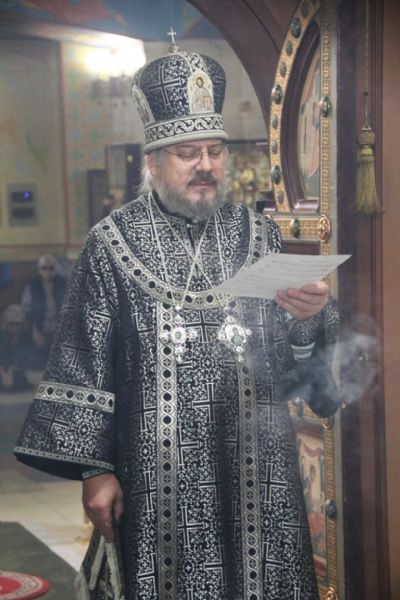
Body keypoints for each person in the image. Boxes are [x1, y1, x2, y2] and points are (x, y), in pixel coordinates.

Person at [15, 44, 340, 600]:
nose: (206, 165)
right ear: (154, 161)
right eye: (189, 153)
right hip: (155, 477)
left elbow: (295, 366)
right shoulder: (111, 244)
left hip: (257, 470)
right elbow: (82, 361)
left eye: (215, 151)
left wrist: (308, 322)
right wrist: (95, 471)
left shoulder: (259, 235)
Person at [21, 254, 66, 359]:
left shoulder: (62, 283)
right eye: (44, 268)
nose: (48, 271)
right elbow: (26, 308)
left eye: (51, 268)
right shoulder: (32, 285)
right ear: (39, 269)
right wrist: (34, 330)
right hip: (39, 327)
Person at [0, 304, 33, 392]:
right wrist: (3, 372)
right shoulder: (2, 336)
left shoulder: (26, 337)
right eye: (11, 324)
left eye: (17, 324)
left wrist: (11, 371)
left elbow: (24, 358)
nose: (14, 327)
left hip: (18, 368)